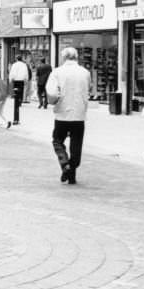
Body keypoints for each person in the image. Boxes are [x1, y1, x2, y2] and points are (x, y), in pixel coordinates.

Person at [46, 47, 92, 185]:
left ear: (63, 57)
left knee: (57, 140)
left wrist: (53, 101)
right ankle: (72, 172)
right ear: (76, 57)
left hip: (62, 113)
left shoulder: (57, 72)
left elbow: (52, 92)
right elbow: (88, 88)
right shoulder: (85, 72)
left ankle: (65, 163)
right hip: (79, 114)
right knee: (76, 144)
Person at [9, 55, 30, 125]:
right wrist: (26, 79)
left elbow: (12, 72)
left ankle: (16, 101)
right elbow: (26, 73)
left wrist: (11, 79)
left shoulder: (14, 65)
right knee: (21, 91)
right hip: (21, 80)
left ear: (16, 59)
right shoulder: (24, 65)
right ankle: (20, 101)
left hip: (15, 80)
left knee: (16, 91)